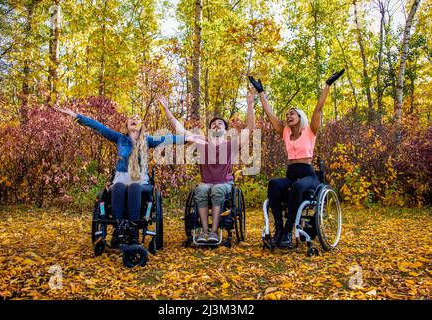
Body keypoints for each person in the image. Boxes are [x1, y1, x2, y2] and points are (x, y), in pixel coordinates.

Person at [55, 106, 203, 243]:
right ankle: (119, 229)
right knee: (118, 186)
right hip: (120, 179)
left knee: (134, 186)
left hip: (139, 182)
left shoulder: (148, 141)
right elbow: (98, 127)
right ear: (126, 124)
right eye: (131, 118)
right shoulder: (120, 139)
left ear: (142, 125)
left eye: (138, 118)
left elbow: (168, 139)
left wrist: (188, 138)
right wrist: (76, 116)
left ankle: (132, 229)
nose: (134, 119)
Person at [248, 69, 344, 248]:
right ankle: (279, 227)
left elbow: (319, 109)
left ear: (301, 117)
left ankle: (287, 230)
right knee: (275, 184)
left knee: (297, 187)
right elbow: (270, 115)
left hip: (308, 175)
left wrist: (327, 85)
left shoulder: (310, 131)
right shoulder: (285, 132)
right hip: (291, 173)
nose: (288, 116)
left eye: (292, 114)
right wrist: (261, 92)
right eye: (287, 115)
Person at [158, 89, 255, 243]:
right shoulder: (202, 142)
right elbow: (181, 131)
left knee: (216, 190)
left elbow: (249, 128)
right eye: (214, 124)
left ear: (225, 129)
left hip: (224, 183)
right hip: (206, 182)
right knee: (201, 190)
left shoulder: (231, 144)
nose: (217, 125)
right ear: (210, 130)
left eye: (220, 124)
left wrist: (250, 104)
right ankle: (204, 231)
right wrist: (167, 109)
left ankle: (214, 232)